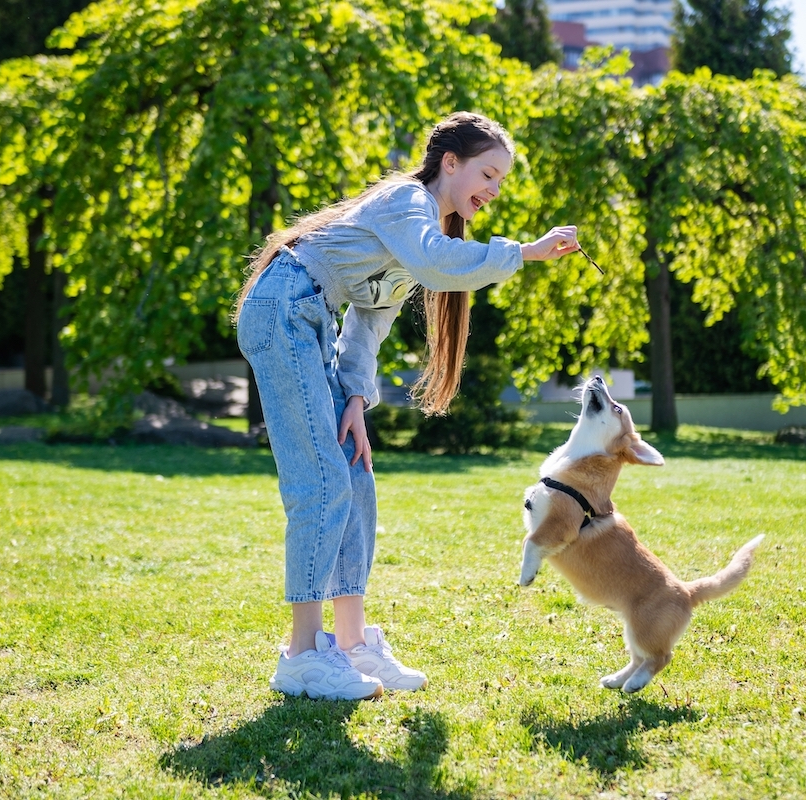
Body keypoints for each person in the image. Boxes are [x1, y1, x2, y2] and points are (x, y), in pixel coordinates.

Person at [234, 111, 580, 700]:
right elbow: (434, 263)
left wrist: (356, 400)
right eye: (488, 174)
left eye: (500, 181)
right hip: (282, 310)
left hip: (310, 324)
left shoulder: (416, 240)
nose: (493, 191)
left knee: (354, 475)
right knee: (321, 484)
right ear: (451, 162)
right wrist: (525, 252)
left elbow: (366, 326)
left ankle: (352, 645)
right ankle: (301, 656)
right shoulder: (406, 204)